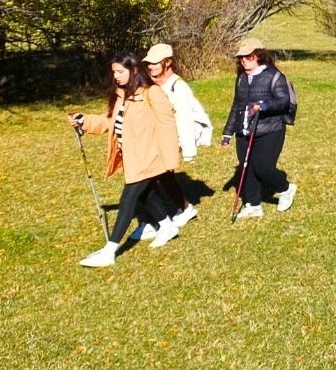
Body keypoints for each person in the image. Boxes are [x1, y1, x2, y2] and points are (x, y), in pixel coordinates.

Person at [70, 52, 183, 267]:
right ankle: (167, 226)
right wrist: (84, 121)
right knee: (146, 195)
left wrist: (169, 162)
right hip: (132, 158)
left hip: (149, 158)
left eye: (120, 72)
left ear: (135, 70)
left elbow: (168, 127)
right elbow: (109, 123)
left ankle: (110, 250)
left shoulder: (153, 93)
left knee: (128, 199)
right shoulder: (120, 94)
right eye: (114, 72)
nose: (116, 76)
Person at [220, 37, 295, 218]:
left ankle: (285, 189)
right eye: (241, 57)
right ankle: (253, 205)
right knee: (247, 168)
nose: (244, 60)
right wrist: (228, 132)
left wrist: (265, 105)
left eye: (248, 56)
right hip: (244, 129)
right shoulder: (241, 79)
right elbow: (236, 105)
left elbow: (283, 101)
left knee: (263, 167)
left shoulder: (274, 76)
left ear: (258, 56)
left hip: (270, 129)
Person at [138, 43, 207, 237]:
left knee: (155, 176)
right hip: (154, 135)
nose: (151, 67)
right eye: (149, 63)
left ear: (167, 62)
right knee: (160, 176)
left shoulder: (178, 86)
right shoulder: (150, 83)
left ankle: (157, 219)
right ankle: (175, 211)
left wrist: (185, 147)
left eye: (155, 63)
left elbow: (184, 118)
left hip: (171, 138)